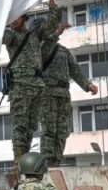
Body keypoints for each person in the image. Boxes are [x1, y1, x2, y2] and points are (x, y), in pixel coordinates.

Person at [4, 0, 62, 166]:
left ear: (23, 17)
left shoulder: (34, 34)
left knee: (31, 127)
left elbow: (52, 24)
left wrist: (51, 2)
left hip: (37, 85)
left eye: (16, 17)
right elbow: (0, 36)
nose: (14, 21)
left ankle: (25, 163)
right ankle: (18, 163)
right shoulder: (11, 36)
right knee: (20, 125)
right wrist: (2, 21)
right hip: (20, 85)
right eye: (11, 18)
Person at [40, 23, 98, 166]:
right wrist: (58, 32)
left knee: (62, 130)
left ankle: (57, 160)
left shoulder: (64, 51)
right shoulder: (39, 48)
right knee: (49, 128)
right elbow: (43, 51)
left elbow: (74, 69)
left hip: (64, 94)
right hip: (48, 94)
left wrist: (87, 84)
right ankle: (47, 161)